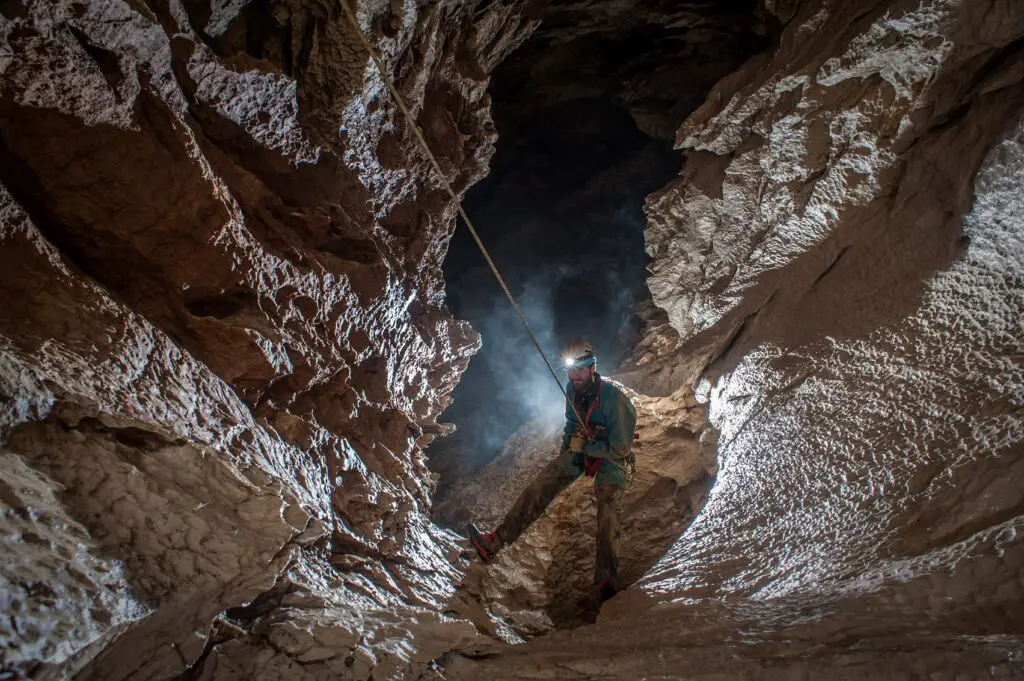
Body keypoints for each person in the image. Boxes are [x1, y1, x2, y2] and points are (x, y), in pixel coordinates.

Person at [467, 339, 637, 603]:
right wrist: (564, 456)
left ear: (593, 367)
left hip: (611, 458)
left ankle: (607, 581)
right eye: (571, 370)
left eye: (580, 369)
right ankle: (494, 542)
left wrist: (588, 447)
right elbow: (571, 424)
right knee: (540, 486)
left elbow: (621, 448)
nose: (575, 375)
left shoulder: (614, 400)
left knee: (608, 512)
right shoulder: (571, 389)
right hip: (582, 449)